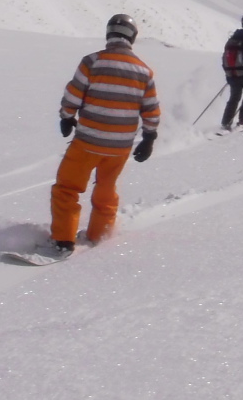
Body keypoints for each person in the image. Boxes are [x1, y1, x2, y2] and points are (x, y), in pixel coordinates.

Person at [49, 14, 160, 255]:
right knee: (106, 188)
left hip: (88, 140)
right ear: (133, 38)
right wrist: (149, 138)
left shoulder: (92, 62)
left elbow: (74, 94)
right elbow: (151, 108)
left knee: (67, 188)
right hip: (120, 147)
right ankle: (100, 235)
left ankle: (63, 239)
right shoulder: (144, 71)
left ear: (109, 34)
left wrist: (67, 116)